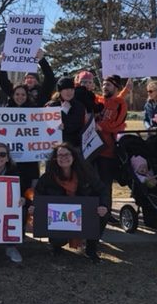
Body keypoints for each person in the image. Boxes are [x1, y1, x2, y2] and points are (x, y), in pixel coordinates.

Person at [33, 143, 109, 263]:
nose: (64, 158)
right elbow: (38, 195)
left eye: (67, 154)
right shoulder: (48, 177)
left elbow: (102, 190)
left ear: (74, 156)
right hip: (59, 218)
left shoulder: (86, 174)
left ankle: (91, 249)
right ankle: (56, 246)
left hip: (82, 214)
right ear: (55, 159)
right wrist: (35, 207)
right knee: (59, 239)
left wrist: (103, 206)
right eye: (60, 155)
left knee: (102, 216)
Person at [94, 75, 128, 223]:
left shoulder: (120, 103)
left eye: (108, 85)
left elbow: (118, 125)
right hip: (92, 150)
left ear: (115, 87)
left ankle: (106, 213)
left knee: (105, 184)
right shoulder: (98, 100)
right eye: (103, 84)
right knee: (92, 182)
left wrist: (101, 127)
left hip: (108, 150)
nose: (104, 87)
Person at [45, 77, 86, 149]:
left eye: (72, 89)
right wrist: (55, 126)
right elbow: (44, 127)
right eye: (66, 89)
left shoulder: (79, 105)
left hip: (75, 146)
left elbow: (78, 124)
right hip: (56, 147)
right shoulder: (51, 106)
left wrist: (65, 125)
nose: (69, 92)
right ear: (60, 91)